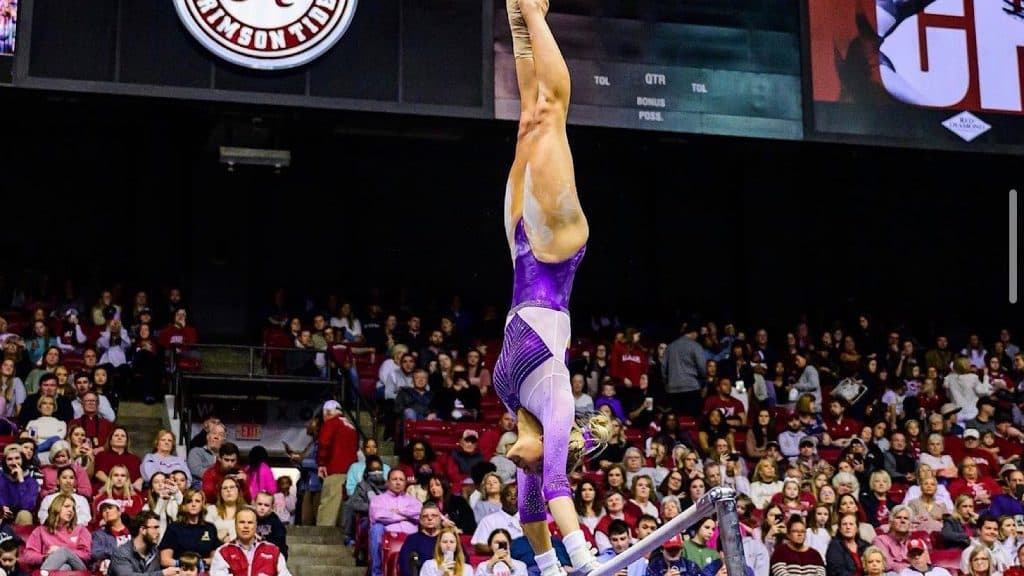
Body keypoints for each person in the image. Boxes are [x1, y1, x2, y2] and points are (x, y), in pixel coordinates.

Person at [492, 3, 610, 575]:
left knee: (539, 116)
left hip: (538, 270)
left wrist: (566, 562)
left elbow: (542, 490)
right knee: (540, 117)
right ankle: (527, 16)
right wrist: (568, 562)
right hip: (537, 274)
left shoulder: (537, 408)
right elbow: (545, 485)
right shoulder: (542, 410)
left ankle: (528, 14)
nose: (521, 461)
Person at [210, 508, 291, 576]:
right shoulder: (223, 552)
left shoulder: (273, 551)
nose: (246, 526)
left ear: (256, 526)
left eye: (250, 522)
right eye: (242, 522)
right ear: (235, 525)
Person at [108, 511, 177, 576]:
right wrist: (162, 574)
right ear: (143, 530)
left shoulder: (155, 552)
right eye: (155, 528)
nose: (158, 532)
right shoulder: (121, 554)